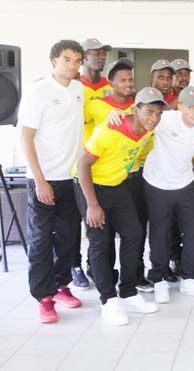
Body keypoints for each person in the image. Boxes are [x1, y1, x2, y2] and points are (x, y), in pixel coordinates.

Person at [75, 88, 167, 325]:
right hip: (90, 186)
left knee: (134, 234)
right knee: (100, 242)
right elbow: (83, 164)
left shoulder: (146, 132)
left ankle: (127, 292)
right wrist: (92, 205)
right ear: (136, 110)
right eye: (149, 112)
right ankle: (108, 300)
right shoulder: (109, 129)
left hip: (116, 186)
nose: (154, 118)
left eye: (158, 113)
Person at [20, 40, 86, 323]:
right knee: (41, 242)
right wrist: (40, 180)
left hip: (70, 180)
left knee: (69, 240)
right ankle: (44, 298)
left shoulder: (78, 89)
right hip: (43, 180)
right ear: (53, 60)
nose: (72, 65)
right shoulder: (39, 91)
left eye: (77, 60)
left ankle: (61, 288)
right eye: (67, 59)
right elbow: (26, 137)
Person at [142, 86, 194, 303]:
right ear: (179, 106)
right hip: (157, 182)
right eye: (190, 107)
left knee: (193, 232)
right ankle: (160, 279)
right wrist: (115, 113)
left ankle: (189, 279)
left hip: (185, 183)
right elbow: (138, 114)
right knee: (160, 233)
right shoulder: (164, 119)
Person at [79, 38, 112, 103]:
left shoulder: (111, 85)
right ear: (84, 57)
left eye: (104, 54)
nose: (103, 57)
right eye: (97, 54)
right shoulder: (75, 85)